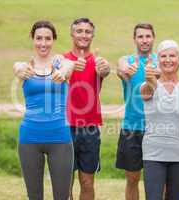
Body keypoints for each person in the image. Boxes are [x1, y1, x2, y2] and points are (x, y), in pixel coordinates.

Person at [13, 20, 75, 200]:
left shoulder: (62, 64)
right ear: (32, 39)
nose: (43, 43)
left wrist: (62, 71)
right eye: (39, 38)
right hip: (29, 138)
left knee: (62, 196)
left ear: (53, 40)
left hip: (60, 138)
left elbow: (68, 66)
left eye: (48, 38)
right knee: (34, 196)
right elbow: (18, 67)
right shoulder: (25, 67)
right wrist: (19, 69)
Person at [141, 40, 179, 200]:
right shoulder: (147, 85)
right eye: (163, 56)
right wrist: (149, 78)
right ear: (158, 60)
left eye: (172, 55)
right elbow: (147, 90)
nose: (168, 59)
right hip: (154, 155)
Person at [64, 17, 110, 200]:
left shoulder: (98, 61)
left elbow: (105, 71)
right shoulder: (62, 59)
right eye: (79, 31)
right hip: (65, 126)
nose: (84, 35)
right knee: (65, 181)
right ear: (72, 33)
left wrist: (105, 69)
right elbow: (59, 70)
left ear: (93, 35)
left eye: (88, 32)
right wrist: (71, 66)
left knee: (87, 182)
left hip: (90, 128)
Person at [116, 23, 159, 200]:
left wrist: (159, 73)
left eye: (148, 36)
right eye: (140, 36)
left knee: (158, 180)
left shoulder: (162, 60)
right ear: (134, 39)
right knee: (132, 178)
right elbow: (121, 68)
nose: (144, 40)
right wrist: (125, 69)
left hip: (157, 128)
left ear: (153, 38)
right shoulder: (127, 60)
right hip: (132, 127)